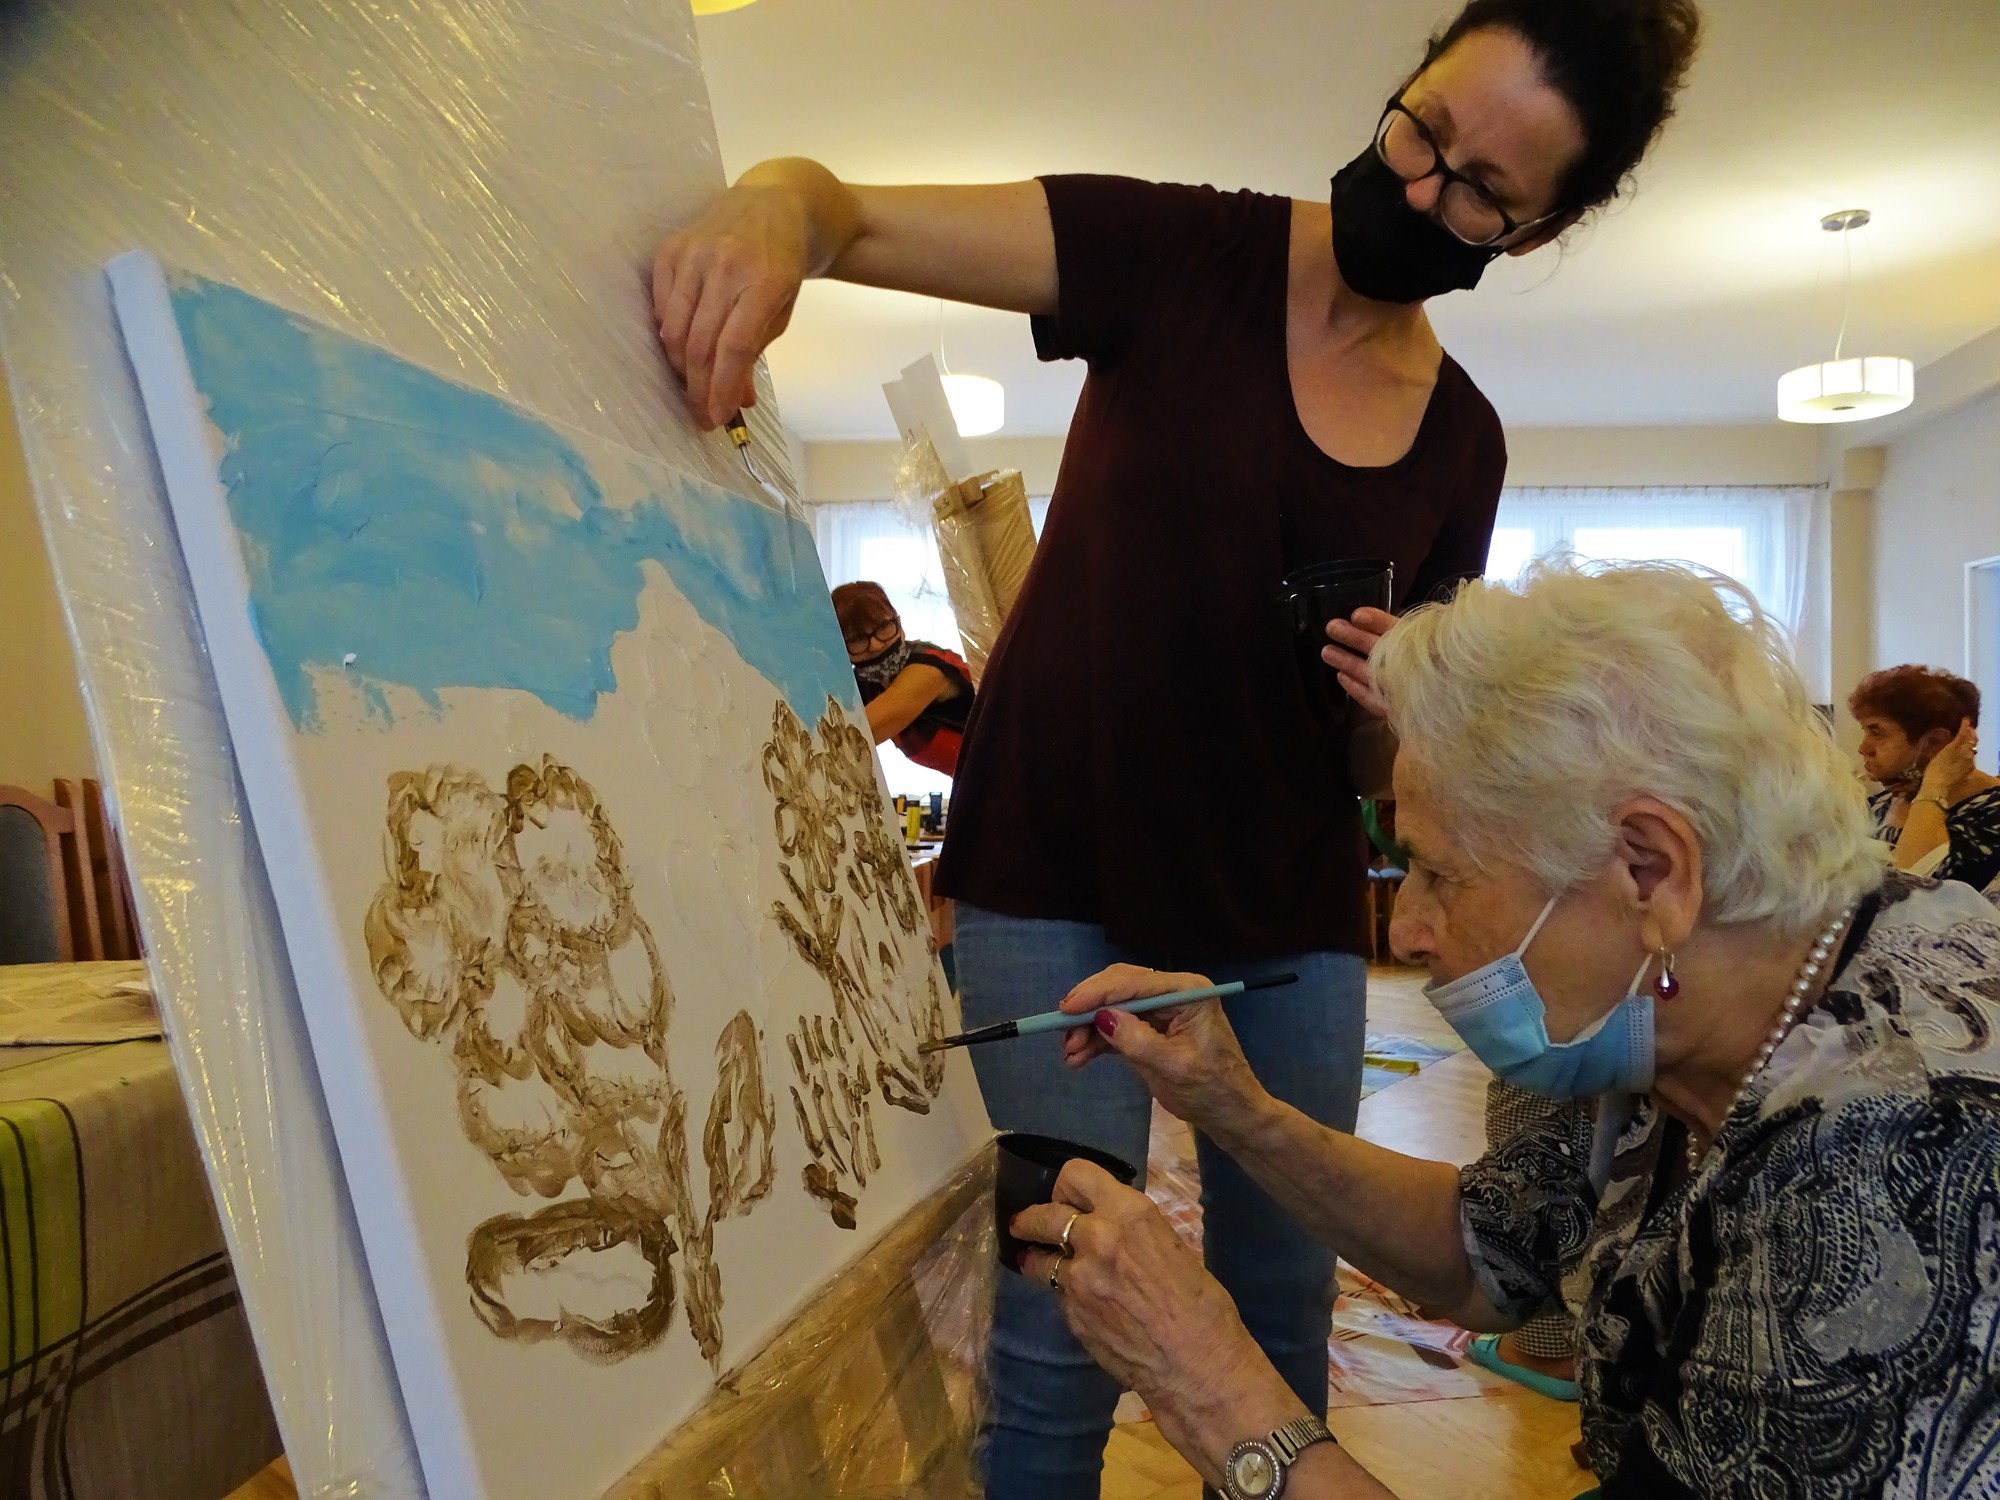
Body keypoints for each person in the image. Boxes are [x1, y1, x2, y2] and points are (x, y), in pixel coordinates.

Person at [653, 1, 1701, 1489]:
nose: (1420, 188)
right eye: (1422, 129)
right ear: (1405, 83)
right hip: (1052, 872)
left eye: (1481, 191)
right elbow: (843, 211)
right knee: (1055, 1322)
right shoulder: (1187, 254)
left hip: (1281, 915)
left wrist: (1393, 715)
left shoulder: (1461, 443)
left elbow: (1377, 780)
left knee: (1277, 1320)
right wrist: (778, 203)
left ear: (1531, 234)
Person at [1012, 561, 2000, 1499]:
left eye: (1440, 874)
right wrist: (1233, 1107)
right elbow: (1489, 1251)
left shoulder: (1904, 1170)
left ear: (1649, 869)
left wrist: (1208, 1387)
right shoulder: (1658, 1017)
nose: (1406, 929)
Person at [1851, 665, 2000, 891]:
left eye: (1877, 732)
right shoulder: (1879, 805)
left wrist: (1934, 788)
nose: (1864, 748)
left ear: (1935, 741)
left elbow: (1915, 893)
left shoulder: (1991, 814)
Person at [831, 581, 975, 776]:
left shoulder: (929, 669)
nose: (876, 645)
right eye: (857, 639)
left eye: (883, 628)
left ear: (898, 623)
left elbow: (851, 739)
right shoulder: (866, 685)